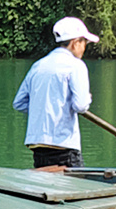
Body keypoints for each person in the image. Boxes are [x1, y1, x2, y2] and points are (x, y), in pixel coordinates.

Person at [14, 16, 94, 169]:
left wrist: (44, 107)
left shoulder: (38, 65)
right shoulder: (76, 65)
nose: (85, 47)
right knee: (77, 190)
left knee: (44, 190)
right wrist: (87, 98)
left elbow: (19, 103)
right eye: (85, 42)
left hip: (38, 147)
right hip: (64, 147)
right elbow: (81, 106)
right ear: (75, 42)